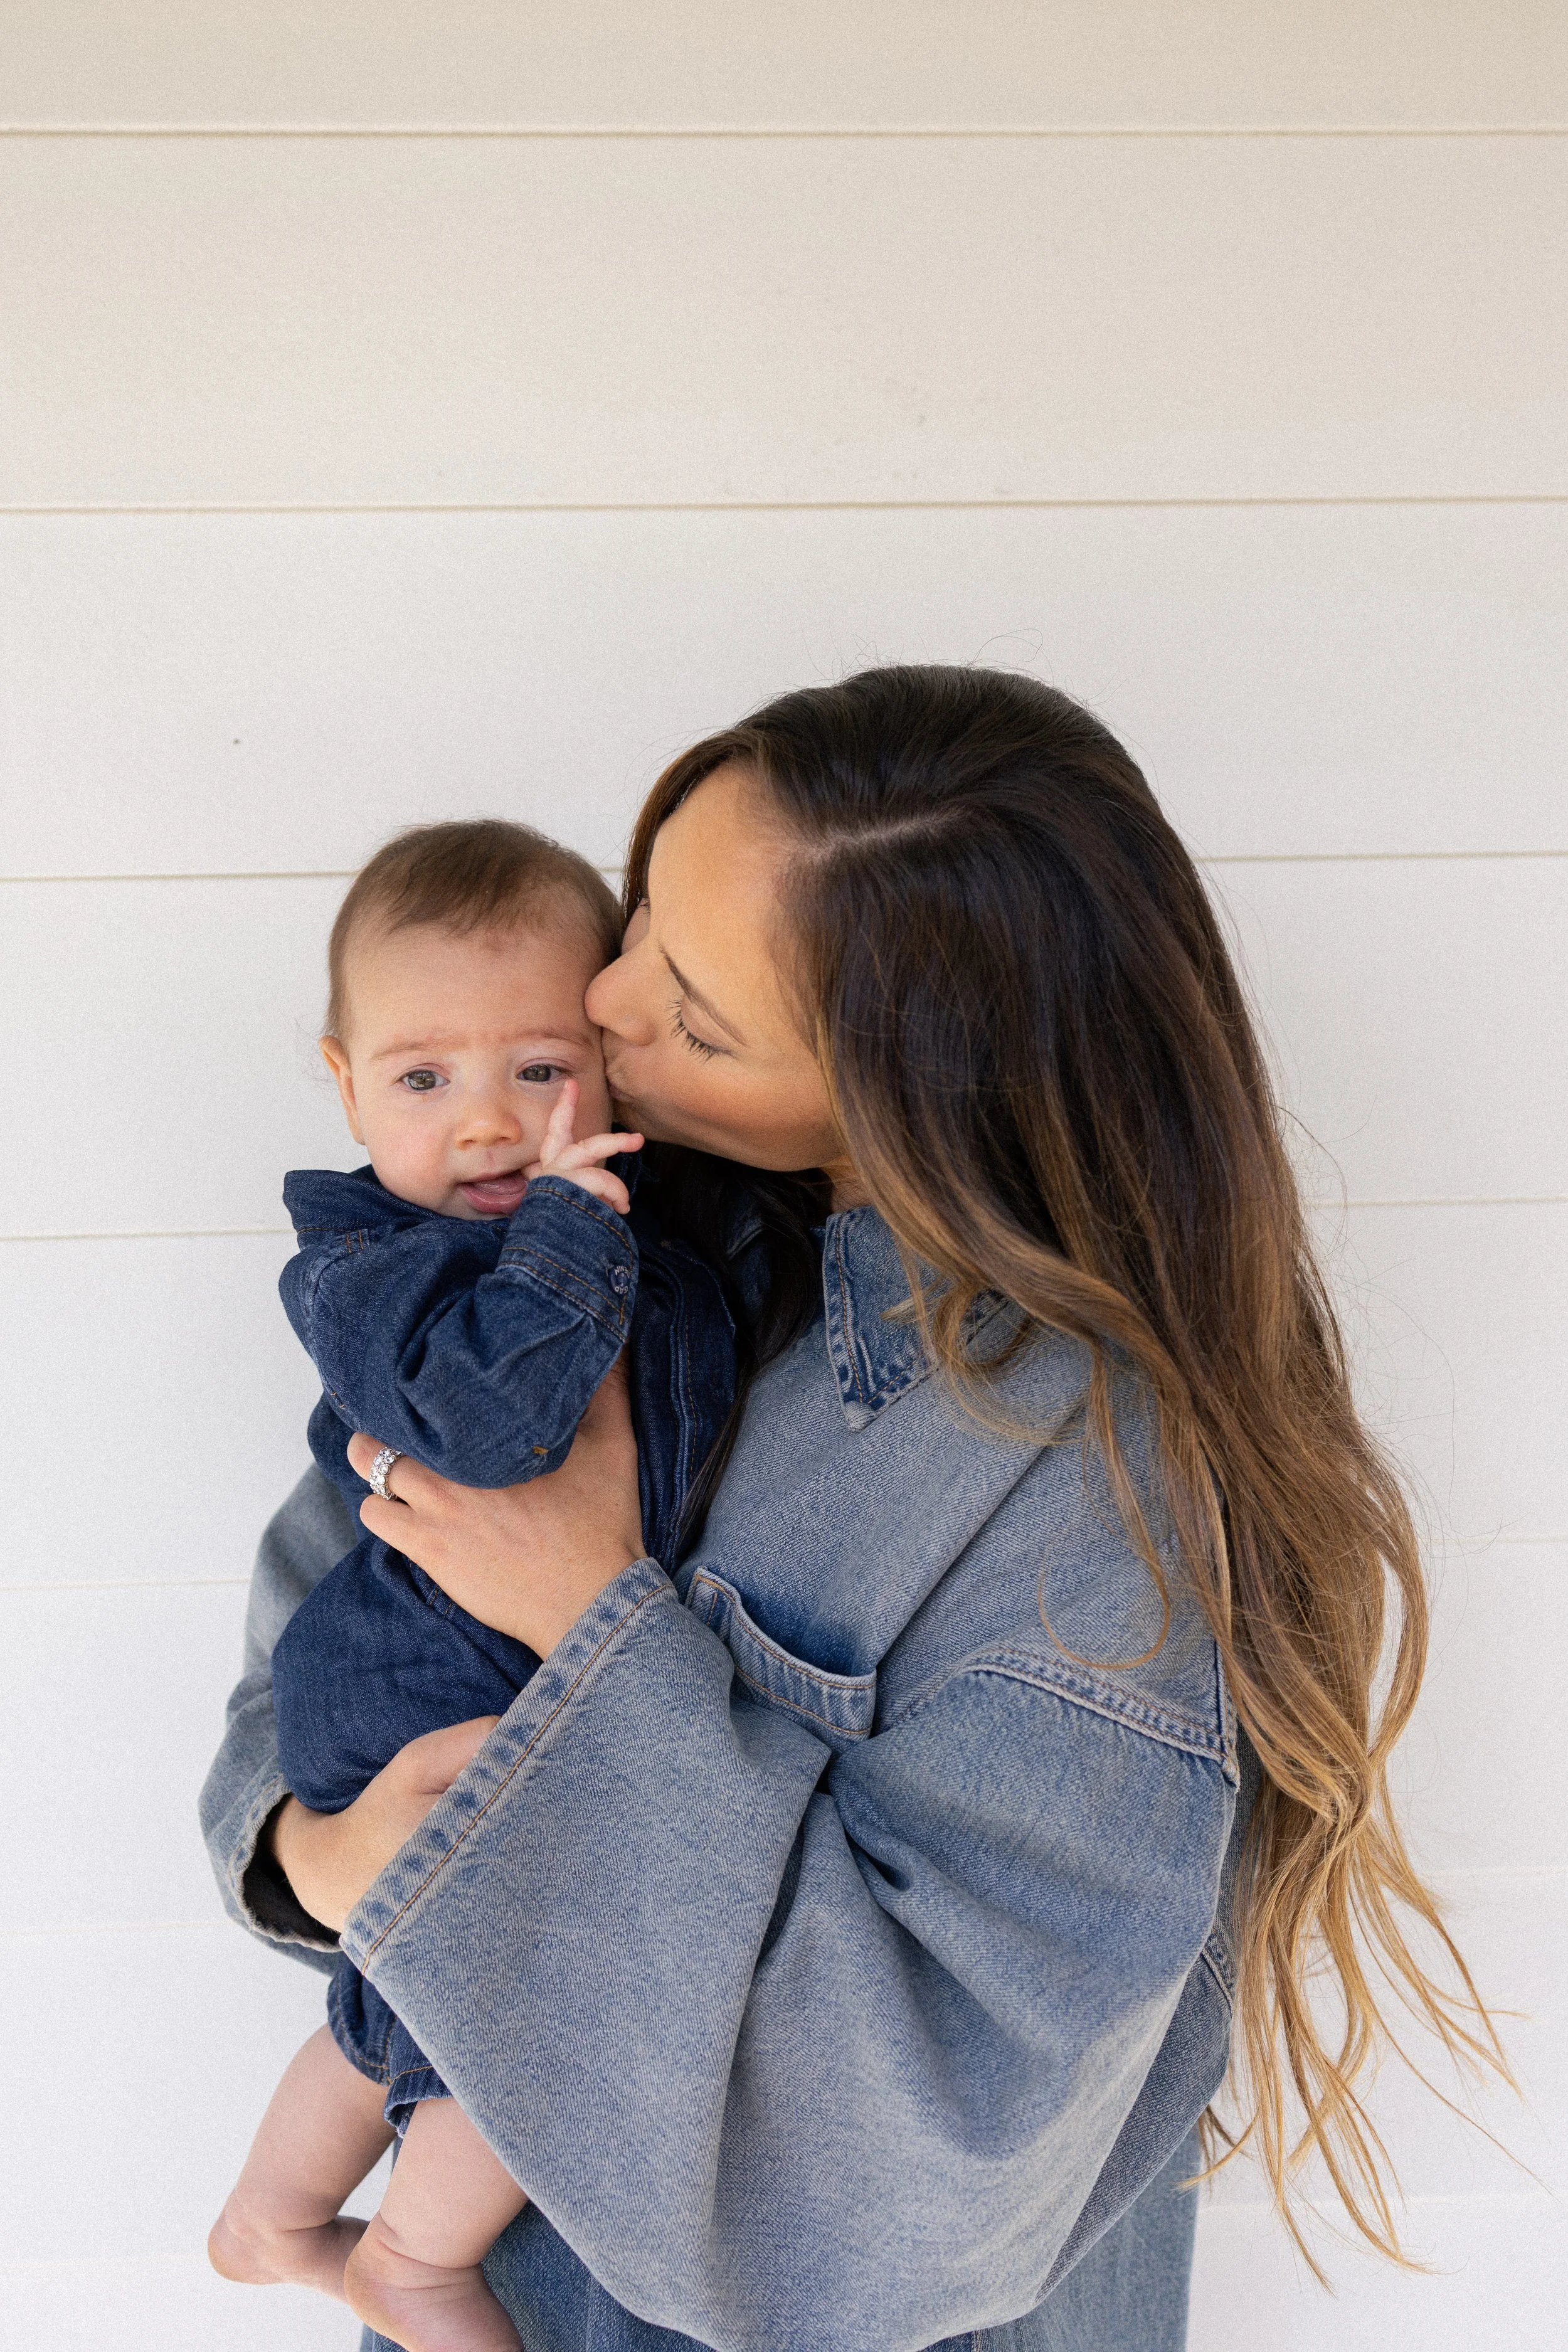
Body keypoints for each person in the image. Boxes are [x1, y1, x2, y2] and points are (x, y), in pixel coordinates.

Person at [203, 667, 1501, 2352]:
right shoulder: (584, 1232)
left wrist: (599, 1631)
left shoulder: (1091, 1487)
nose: (602, 994)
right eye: (648, 909)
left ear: (917, 1090)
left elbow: (925, 2180)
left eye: (699, 1012)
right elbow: (301, 1644)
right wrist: (314, 1850)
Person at [207, 820, 736, 2352]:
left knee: (422, 1976)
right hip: (417, 1669)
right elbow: (487, 1428)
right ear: (344, 1076)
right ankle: (421, 2262)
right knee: (559, 2003)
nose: (493, 1128)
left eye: (539, 1071)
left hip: (474, 1667)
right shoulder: (365, 1265)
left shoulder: (646, 1227)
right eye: (424, 1080)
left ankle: (270, 2216)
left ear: (616, 1056)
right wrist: (572, 1230)